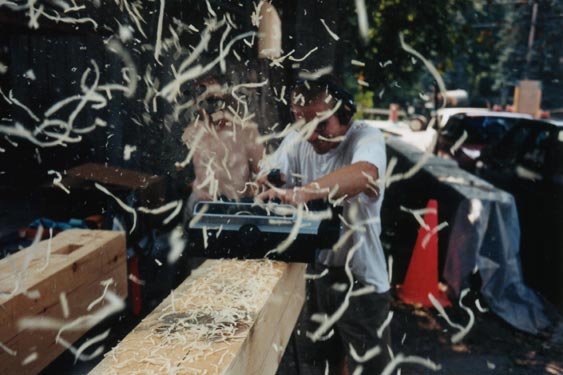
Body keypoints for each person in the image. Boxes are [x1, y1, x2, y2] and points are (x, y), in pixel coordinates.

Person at [257, 75, 391, 374]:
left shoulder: (366, 136)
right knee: (317, 361)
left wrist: (302, 192)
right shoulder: (297, 140)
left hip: (361, 276)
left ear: (344, 115)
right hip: (313, 270)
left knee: (371, 367)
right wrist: (268, 181)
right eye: (302, 123)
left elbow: (365, 174)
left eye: (321, 125)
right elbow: (271, 174)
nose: (311, 135)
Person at [181, 75, 264, 215]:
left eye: (216, 100)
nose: (212, 107)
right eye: (207, 101)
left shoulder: (246, 131)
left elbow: (262, 173)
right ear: (197, 103)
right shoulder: (191, 133)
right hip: (201, 207)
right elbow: (181, 177)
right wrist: (196, 188)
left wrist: (250, 197)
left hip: (237, 208)